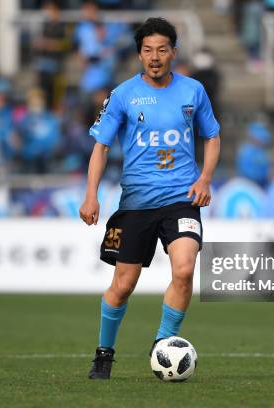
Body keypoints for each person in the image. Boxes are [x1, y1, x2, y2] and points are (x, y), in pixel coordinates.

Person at [79, 17, 221, 380]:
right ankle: (103, 354)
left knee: (185, 270)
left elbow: (212, 136)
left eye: (161, 49)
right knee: (123, 285)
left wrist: (204, 178)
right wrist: (91, 195)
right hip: (137, 204)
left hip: (181, 199)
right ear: (139, 55)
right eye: (147, 50)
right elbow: (101, 147)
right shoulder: (124, 94)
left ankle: (163, 346)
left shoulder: (193, 91)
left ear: (173, 52)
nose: (154, 57)